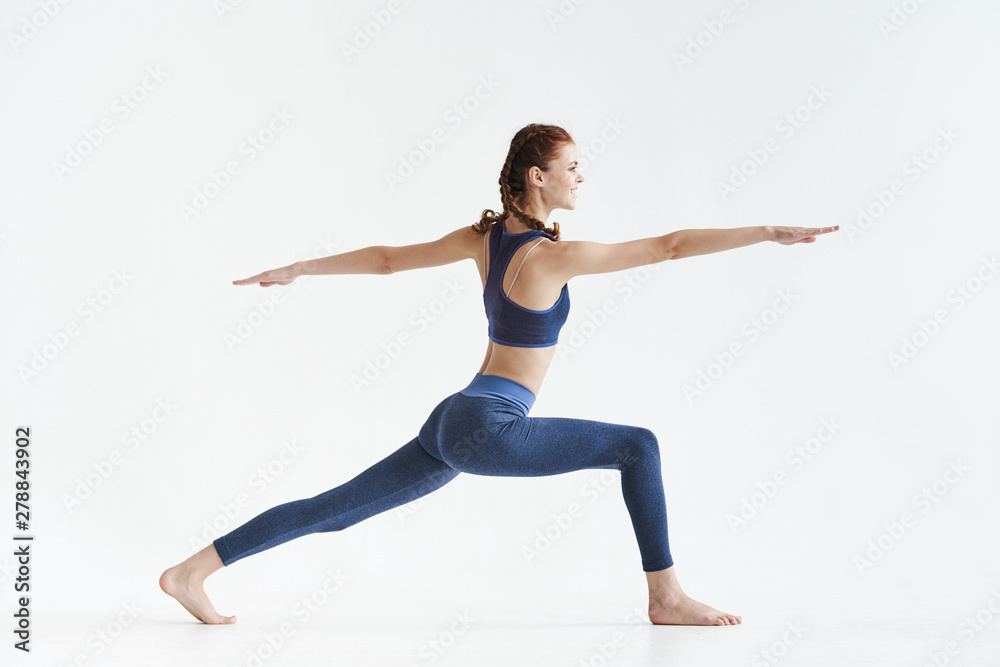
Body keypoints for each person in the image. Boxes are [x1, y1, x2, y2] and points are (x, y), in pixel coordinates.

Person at [159, 123, 838, 627]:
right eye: (572, 166)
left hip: (457, 415)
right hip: (485, 426)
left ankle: (193, 570)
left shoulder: (483, 238)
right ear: (537, 176)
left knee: (334, 511)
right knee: (639, 445)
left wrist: (301, 267)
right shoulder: (553, 257)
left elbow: (391, 259)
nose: (581, 177)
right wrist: (767, 230)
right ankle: (665, 595)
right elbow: (668, 246)